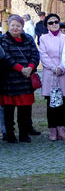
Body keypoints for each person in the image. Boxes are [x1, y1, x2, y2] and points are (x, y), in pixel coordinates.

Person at [0, 15, 39, 143]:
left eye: (18, 26)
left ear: (22, 27)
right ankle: (10, 134)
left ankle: (24, 133)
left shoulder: (28, 38)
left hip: (25, 81)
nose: (15, 28)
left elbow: (35, 54)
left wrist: (30, 67)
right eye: (13, 25)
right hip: (9, 81)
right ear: (9, 26)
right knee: (9, 110)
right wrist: (21, 69)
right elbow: (7, 58)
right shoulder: (3, 40)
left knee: (25, 110)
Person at [39, 13, 65, 141]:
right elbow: (43, 55)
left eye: (56, 22)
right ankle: (53, 131)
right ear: (46, 25)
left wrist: (62, 67)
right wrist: (54, 68)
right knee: (52, 106)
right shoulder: (43, 38)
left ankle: (62, 130)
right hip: (50, 75)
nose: (54, 25)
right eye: (50, 23)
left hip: (64, 74)